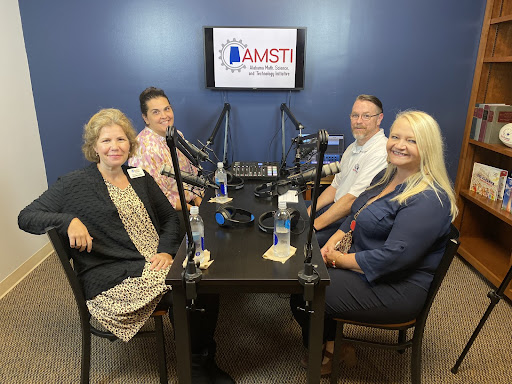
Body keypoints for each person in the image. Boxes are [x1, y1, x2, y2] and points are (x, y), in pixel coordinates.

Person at [18, 108, 233, 384]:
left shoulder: (139, 176)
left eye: (120, 140)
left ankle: (200, 359)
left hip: (154, 260)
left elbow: (169, 217)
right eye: (106, 141)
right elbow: (27, 216)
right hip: (113, 274)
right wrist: (67, 220)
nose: (114, 147)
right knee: (191, 287)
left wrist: (166, 250)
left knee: (202, 283)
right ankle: (195, 369)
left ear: (130, 144)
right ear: (94, 146)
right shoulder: (73, 184)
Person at [292, 110, 458, 375]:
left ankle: (330, 351)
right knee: (303, 274)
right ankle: (332, 345)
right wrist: (332, 243)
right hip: (367, 264)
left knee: (306, 289)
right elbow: (356, 213)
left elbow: (393, 257)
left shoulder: (429, 198)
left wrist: (337, 259)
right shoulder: (387, 175)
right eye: (395, 137)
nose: (399, 145)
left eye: (411, 140)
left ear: (428, 147)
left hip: (396, 287)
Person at [309, 94, 388, 247]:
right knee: (295, 214)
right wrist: (309, 212)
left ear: (379, 118)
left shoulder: (381, 152)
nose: (359, 121)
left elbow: (352, 200)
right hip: (334, 207)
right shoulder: (352, 148)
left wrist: (312, 225)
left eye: (366, 116)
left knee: (303, 242)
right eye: (355, 115)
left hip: (348, 218)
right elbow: (334, 187)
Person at [128, 87, 203, 238]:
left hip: (190, 206)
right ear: (146, 118)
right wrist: (193, 211)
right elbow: (159, 198)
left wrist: (199, 199)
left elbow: (191, 175)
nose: (164, 116)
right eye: (156, 112)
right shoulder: (144, 149)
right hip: (170, 215)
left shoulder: (175, 135)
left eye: (167, 109)